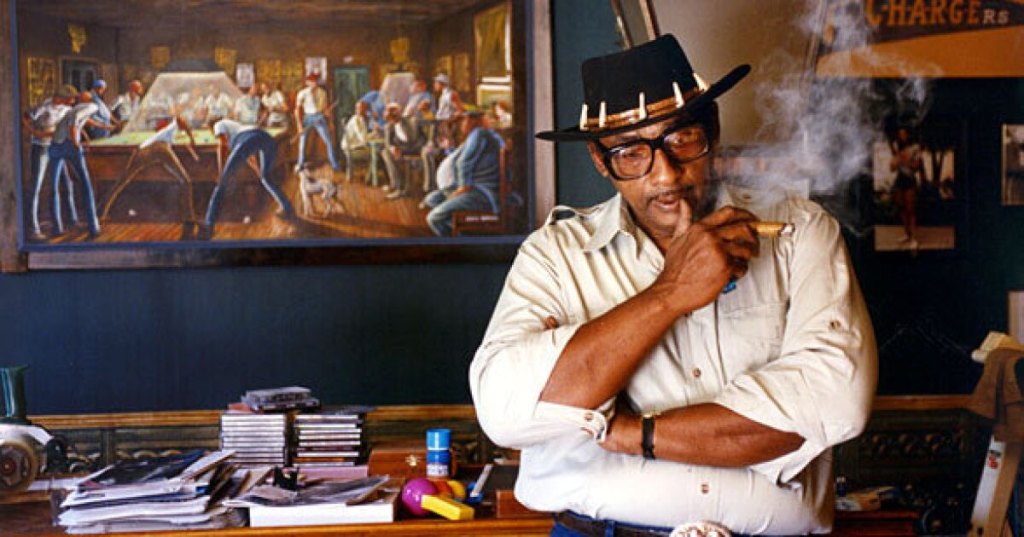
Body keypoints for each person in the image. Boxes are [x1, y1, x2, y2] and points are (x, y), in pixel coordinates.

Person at [469, 35, 877, 536]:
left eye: (682, 139)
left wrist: (626, 430)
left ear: (713, 130)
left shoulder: (799, 232)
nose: (665, 174)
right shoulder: (554, 256)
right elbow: (505, 412)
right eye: (630, 153)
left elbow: (836, 403)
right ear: (600, 159)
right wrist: (671, 293)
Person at [100, 115, 199, 236]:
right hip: (160, 148)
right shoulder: (172, 126)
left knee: (122, 181)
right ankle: (189, 218)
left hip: (142, 150)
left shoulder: (161, 133)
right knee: (185, 181)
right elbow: (181, 120)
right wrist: (191, 138)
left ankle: (102, 213)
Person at [199, 119, 295, 240]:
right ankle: (287, 208)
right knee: (265, 177)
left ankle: (209, 224)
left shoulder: (218, 124)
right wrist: (257, 170)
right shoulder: (238, 127)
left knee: (221, 185)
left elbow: (222, 145)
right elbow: (249, 152)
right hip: (266, 139)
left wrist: (221, 172)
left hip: (250, 140)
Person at [422, 111, 504, 236]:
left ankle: (459, 240)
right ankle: (461, 232)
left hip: (480, 192)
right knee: (431, 199)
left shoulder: (479, 134)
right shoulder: (480, 135)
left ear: (472, 121)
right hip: (474, 188)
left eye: (464, 120)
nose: (461, 125)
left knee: (433, 218)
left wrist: (463, 187)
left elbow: (465, 161)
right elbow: (461, 157)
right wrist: (449, 148)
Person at [22, 84, 77, 239]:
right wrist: (35, 133)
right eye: (70, 98)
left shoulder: (66, 109)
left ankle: (70, 221)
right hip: (42, 148)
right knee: (36, 187)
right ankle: (33, 228)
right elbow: (25, 119)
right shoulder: (43, 107)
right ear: (61, 97)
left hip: (58, 148)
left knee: (67, 183)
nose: (73, 101)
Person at [294, 72, 340, 171]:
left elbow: (325, 109)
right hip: (308, 118)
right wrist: (299, 126)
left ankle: (334, 163)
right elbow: (297, 110)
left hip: (319, 117)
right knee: (302, 142)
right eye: (311, 81)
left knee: (328, 141)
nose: (314, 83)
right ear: (307, 82)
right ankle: (300, 163)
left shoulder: (322, 93)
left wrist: (330, 120)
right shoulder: (302, 93)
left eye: (315, 81)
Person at [380, 102, 427, 199]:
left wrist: (399, 150)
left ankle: (399, 188)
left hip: (416, 147)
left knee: (388, 153)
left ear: (399, 113)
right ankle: (396, 185)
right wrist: (393, 148)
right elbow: (388, 143)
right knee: (385, 152)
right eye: (389, 114)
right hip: (403, 149)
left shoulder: (410, 121)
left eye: (393, 113)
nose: (391, 118)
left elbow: (413, 139)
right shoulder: (388, 127)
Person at [890, 125, 922, 250]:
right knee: (902, 209)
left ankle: (914, 238)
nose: (902, 136)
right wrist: (895, 162)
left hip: (910, 180)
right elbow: (892, 168)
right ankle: (907, 234)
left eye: (904, 133)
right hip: (899, 181)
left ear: (908, 135)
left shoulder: (915, 148)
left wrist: (904, 160)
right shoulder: (897, 150)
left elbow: (916, 167)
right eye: (900, 134)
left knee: (911, 210)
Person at [340, 100, 371, 183]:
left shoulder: (360, 119)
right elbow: (363, 138)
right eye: (359, 108)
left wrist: (373, 134)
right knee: (374, 154)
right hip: (351, 148)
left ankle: (369, 176)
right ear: (356, 109)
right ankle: (369, 178)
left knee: (374, 152)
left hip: (354, 146)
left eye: (363, 109)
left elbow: (363, 136)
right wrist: (372, 136)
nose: (362, 111)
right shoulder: (356, 120)